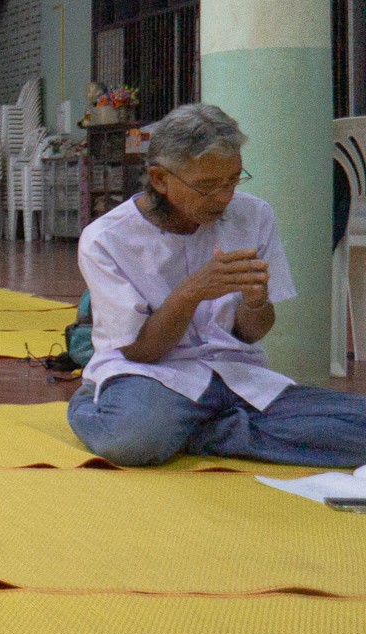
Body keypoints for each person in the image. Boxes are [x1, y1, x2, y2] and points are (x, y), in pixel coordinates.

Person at [68, 102, 366, 468]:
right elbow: (141, 351)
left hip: (236, 376)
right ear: (160, 179)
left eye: (233, 181)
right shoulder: (105, 239)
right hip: (150, 377)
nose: (224, 198)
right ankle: (100, 404)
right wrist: (192, 291)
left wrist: (256, 302)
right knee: (132, 439)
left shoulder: (254, 215)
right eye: (207, 186)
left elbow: (252, 333)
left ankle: (201, 432)